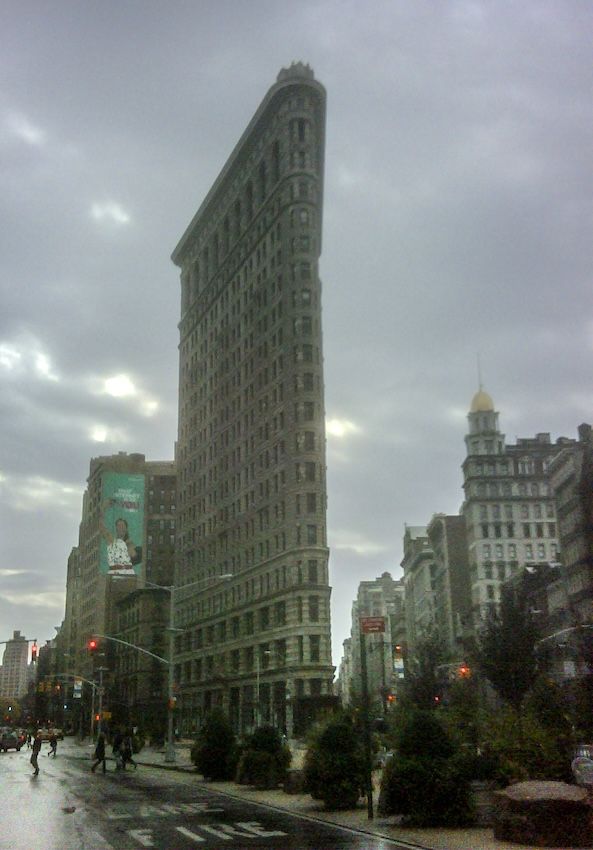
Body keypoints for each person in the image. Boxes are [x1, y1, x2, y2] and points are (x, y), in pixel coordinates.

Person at [99, 499, 141, 575]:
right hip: (114, 573)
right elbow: (102, 528)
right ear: (116, 528)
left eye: (123, 526)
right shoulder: (112, 540)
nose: (121, 527)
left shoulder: (130, 543)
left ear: (126, 528)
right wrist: (103, 508)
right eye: (119, 525)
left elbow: (134, 556)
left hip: (127, 574)